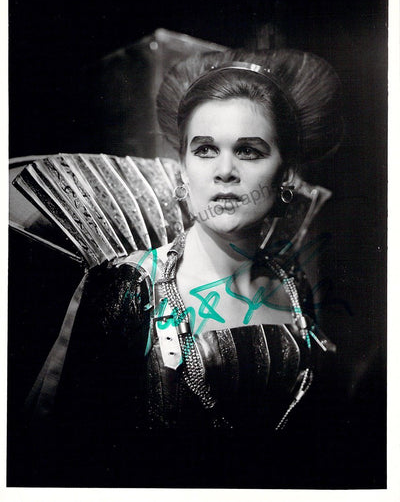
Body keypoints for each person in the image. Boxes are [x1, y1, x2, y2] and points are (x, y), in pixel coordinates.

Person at [22, 48, 343, 487]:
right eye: (205, 149)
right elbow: (68, 457)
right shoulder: (129, 287)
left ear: (285, 173)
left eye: (249, 151)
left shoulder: (293, 286)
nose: (225, 171)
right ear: (184, 170)